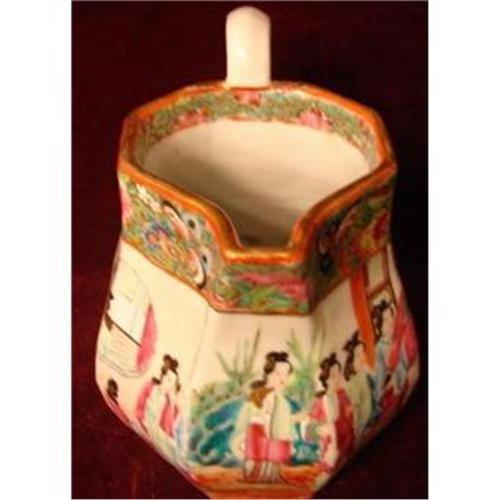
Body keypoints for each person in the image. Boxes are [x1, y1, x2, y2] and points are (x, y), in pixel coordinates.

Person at [230, 352, 297, 483]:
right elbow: (244, 423)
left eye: (286, 374)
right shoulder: (256, 397)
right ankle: (255, 474)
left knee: (274, 446)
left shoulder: (283, 403)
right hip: (256, 438)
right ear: (268, 374)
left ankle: (272, 474)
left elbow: (284, 426)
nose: (282, 379)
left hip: (272, 440)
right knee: (258, 450)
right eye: (278, 374)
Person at [309, 352, 355, 476]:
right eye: (333, 376)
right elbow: (310, 430)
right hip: (329, 450)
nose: (338, 378)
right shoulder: (320, 403)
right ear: (326, 379)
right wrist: (322, 430)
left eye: (339, 374)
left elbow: (350, 420)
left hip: (347, 447)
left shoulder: (343, 396)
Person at [135, 354, 181, 459]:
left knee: (156, 411)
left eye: (167, 362)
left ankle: (152, 430)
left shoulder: (172, 375)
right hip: (159, 394)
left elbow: (167, 387)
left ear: (170, 363)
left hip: (164, 397)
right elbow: (161, 382)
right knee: (151, 408)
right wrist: (157, 381)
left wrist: (160, 385)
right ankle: (147, 426)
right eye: (164, 362)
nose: (165, 364)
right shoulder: (165, 371)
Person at [343, 332, 373, 443]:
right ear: (351, 360)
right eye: (358, 354)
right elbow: (354, 411)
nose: (362, 357)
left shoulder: (362, 375)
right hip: (361, 429)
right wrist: (357, 433)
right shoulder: (354, 382)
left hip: (368, 424)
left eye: (363, 352)